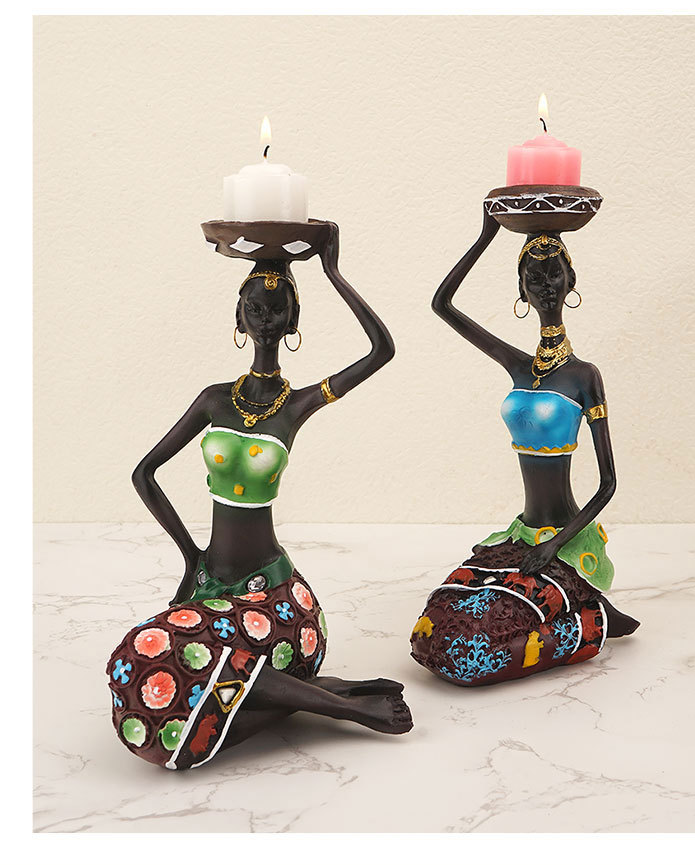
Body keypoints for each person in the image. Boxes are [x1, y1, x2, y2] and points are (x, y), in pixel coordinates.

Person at [107, 223, 412, 769]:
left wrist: (332, 271)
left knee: (168, 671)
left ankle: (339, 706)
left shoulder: (296, 405)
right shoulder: (214, 400)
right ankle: (321, 697)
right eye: (254, 307)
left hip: (277, 602)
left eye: (277, 309)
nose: (265, 318)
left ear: (294, 320)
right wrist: (191, 556)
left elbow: (381, 350)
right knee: (144, 666)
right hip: (208, 593)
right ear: (238, 316)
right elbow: (145, 473)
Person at [410, 209, 639, 686]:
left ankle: (591, 621)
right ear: (521, 290)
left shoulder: (583, 377)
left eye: (554, 273)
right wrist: (486, 234)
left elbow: (608, 483)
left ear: (571, 281)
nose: (545, 285)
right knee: (435, 626)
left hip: (564, 542)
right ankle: (589, 611)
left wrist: (555, 544)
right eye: (533, 277)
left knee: (475, 648)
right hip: (519, 538)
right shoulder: (517, 366)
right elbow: (442, 304)